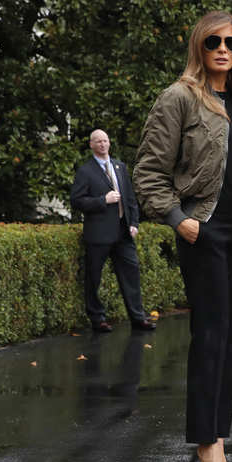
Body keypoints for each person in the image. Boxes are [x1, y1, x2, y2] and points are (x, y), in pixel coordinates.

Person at [133, 11, 232, 462]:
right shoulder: (178, 98)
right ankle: (205, 450)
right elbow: (148, 172)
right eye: (213, 41)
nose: (222, 49)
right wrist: (180, 220)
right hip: (205, 233)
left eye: (231, 43)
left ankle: (219, 449)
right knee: (211, 339)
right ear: (200, 46)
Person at [70, 129, 156, 333]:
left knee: (132, 275)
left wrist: (134, 222)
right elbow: (76, 201)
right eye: (97, 141)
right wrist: (102, 201)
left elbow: (130, 198)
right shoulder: (85, 171)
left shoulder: (120, 166)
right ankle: (98, 319)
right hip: (99, 235)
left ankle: (138, 317)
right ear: (91, 145)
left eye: (105, 140)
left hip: (123, 233)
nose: (102, 144)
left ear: (109, 143)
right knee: (94, 279)